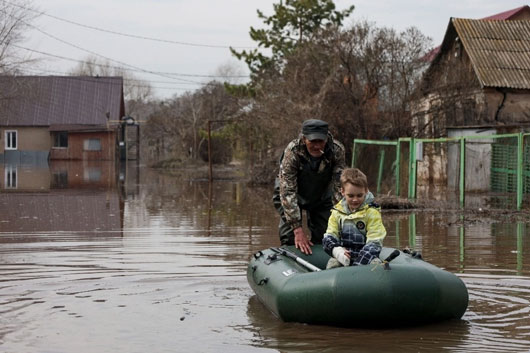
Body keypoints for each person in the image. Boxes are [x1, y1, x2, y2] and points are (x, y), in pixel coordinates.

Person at [273, 119, 345, 255]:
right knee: (289, 237)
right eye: (313, 142)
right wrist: (297, 229)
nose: (317, 146)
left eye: (321, 141)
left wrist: (340, 218)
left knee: (327, 235)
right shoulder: (293, 151)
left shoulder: (337, 150)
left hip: (321, 194)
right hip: (290, 194)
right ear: (304, 138)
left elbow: (338, 186)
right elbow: (288, 191)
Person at [322, 168, 386, 268]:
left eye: (359, 195)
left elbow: (374, 242)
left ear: (366, 190)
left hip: (367, 258)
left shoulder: (372, 212)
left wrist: (357, 266)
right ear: (342, 191)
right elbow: (329, 236)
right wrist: (337, 251)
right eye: (351, 196)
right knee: (333, 263)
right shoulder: (336, 213)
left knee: (376, 266)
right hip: (344, 256)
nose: (355, 200)